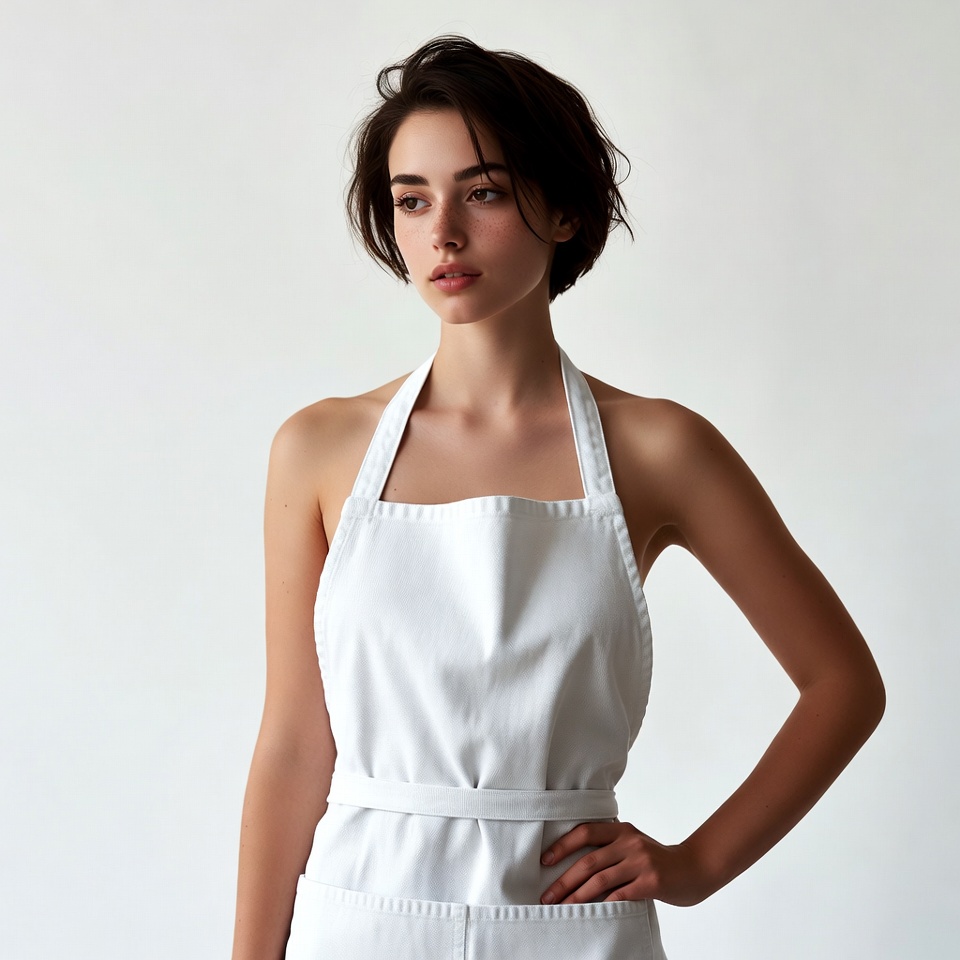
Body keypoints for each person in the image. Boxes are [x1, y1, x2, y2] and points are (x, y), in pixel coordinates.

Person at [230, 36, 885, 960]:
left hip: (573, 925)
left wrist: (695, 865)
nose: (442, 233)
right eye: (411, 200)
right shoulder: (319, 448)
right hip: (361, 915)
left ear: (567, 209)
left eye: (483, 191)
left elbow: (843, 685)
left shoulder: (661, 448)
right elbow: (298, 745)